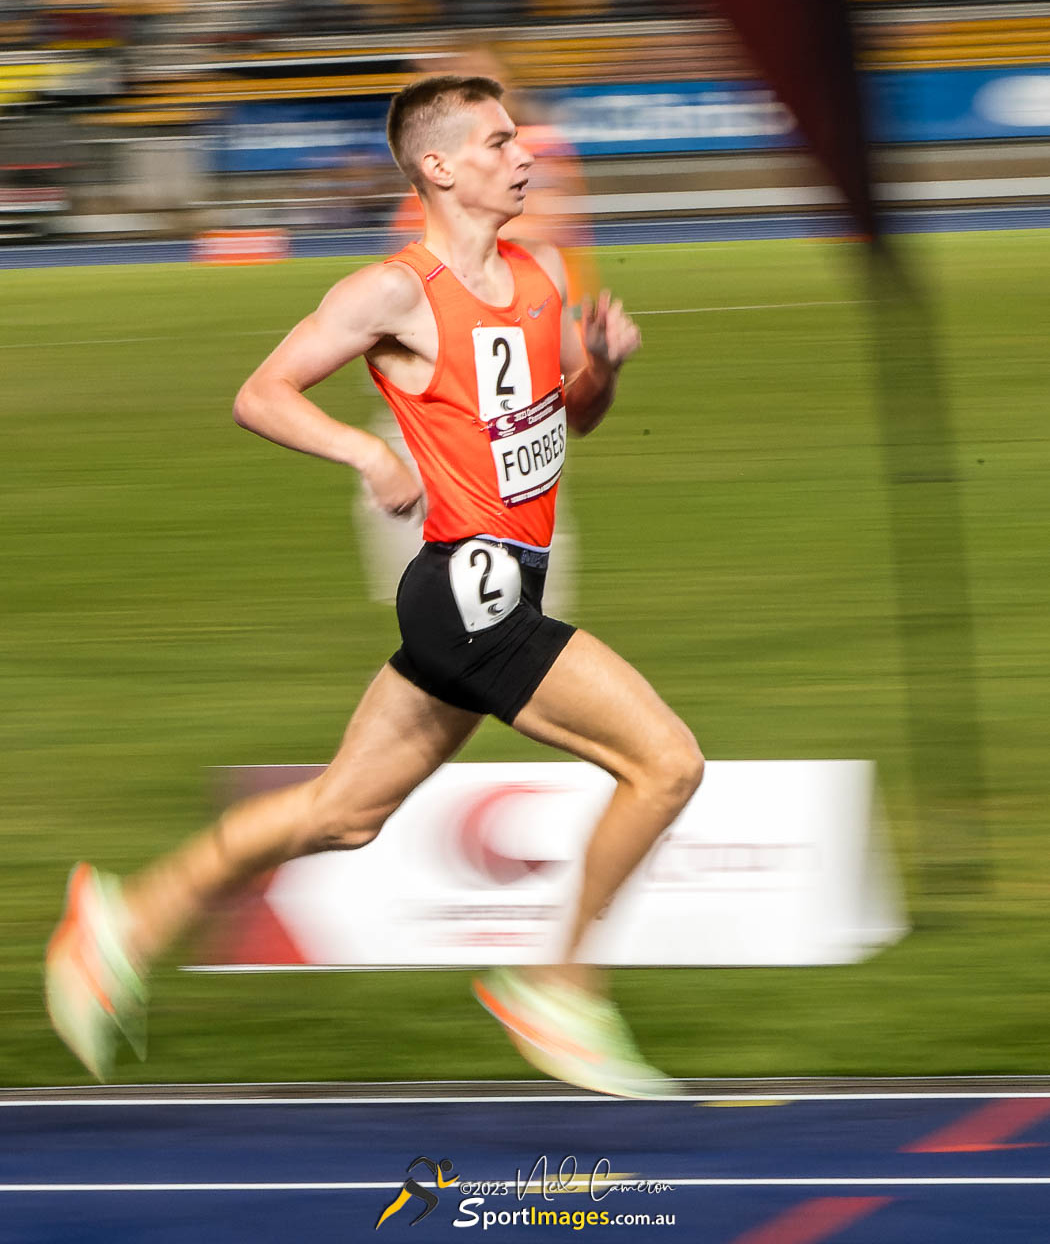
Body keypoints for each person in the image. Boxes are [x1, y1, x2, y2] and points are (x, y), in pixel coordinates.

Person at [44, 75, 704, 1097]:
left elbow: (563, 425)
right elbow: (260, 393)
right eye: (498, 143)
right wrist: (365, 450)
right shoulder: (393, 290)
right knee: (666, 761)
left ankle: (124, 918)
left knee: (343, 813)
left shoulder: (541, 275)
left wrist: (603, 370)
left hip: (503, 583)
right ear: (440, 167)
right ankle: (557, 985)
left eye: (519, 140)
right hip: (464, 586)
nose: (525, 157)